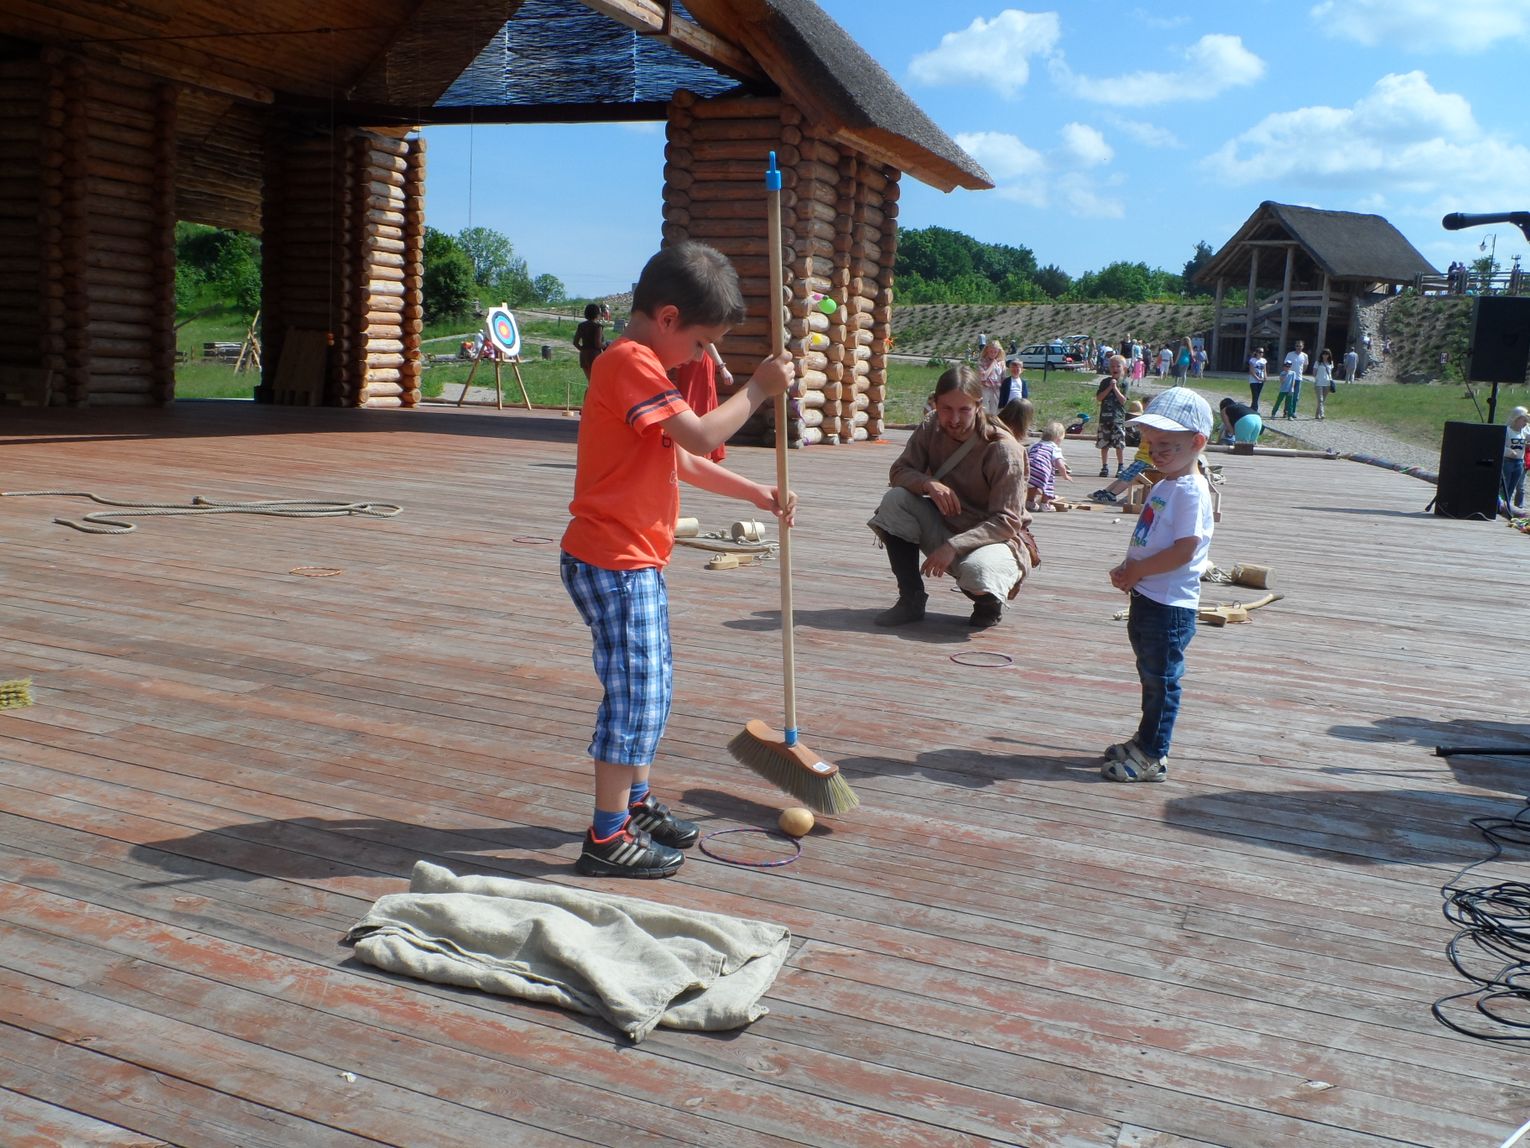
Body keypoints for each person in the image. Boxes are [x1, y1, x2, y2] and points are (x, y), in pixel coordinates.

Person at [560, 242, 794, 879]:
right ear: (667, 319)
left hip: (634, 561)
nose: (700, 358)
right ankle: (607, 836)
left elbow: (681, 458)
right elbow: (700, 434)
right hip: (614, 561)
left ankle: (633, 803)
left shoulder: (641, 366)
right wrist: (759, 389)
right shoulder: (628, 361)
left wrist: (755, 493)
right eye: (700, 344)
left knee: (652, 689)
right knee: (635, 696)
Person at [868, 364, 1036, 630]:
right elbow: (899, 471)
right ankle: (910, 598)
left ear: (978, 405)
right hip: (947, 523)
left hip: (995, 539)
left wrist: (952, 546)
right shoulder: (930, 427)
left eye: (964, 410)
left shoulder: (1004, 450)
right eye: (946, 409)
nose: (954, 419)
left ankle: (988, 603)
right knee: (896, 500)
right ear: (935, 403)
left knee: (978, 573)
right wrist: (928, 484)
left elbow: (1007, 521)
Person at [1103, 388, 1216, 782]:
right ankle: (1145, 739)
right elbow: (1152, 538)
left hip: (1169, 607)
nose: (1155, 451)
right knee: (1151, 676)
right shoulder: (1168, 483)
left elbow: (1186, 550)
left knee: (1162, 681)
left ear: (1197, 442)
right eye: (1151, 442)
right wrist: (1129, 567)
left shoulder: (1190, 491)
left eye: (1166, 444)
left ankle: (1153, 754)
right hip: (1148, 597)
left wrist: (1138, 571)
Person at [669, 342, 731, 462]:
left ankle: (696, 446)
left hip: (698, 359)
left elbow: (706, 341)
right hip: (691, 360)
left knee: (700, 398)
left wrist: (722, 367)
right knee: (692, 398)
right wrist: (722, 367)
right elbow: (706, 340)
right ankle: (690, 446)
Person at [1091, 400, 1150, 504]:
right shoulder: (1145, 428)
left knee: (1128, 478)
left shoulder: (1153, 429)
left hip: (1147, 460)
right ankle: (1106, 491)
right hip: (1140, 458)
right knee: (1123, 476)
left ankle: (1112, 495)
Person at [1026, 421, 1072, 512]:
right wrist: (1065, 475)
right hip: (1043, 469)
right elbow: (1059, 463)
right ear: (1058, 438)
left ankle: (1029, 502)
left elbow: (1026, 454)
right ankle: (1045, 504)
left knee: (1031, 485)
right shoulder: (1054, 448)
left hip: (1030, 468)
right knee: (1048, 485)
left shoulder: (1035, 445)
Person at [1095, 356, 1129, 477]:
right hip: (1105, 419)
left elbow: (1123, 400)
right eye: (1112, 366)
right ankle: (1104, 467)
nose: (1115, 368)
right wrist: (1109, 387)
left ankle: (1120, 466)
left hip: (1117, 419)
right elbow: (1099, 398)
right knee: (1104, 444)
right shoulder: (1105, 382)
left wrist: (1115, 388)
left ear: (1123, 368)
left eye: (1118, 366)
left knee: (1119, 444)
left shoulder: (1124, 383)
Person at [1503, 406, 1529, 514]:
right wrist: (1509, 451)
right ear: (1516, 419)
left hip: (1519, 462)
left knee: (1512, 487)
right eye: (1524, 420)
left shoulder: (1524, 432)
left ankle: (1507, 505)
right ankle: (1501, 505)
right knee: (1504, 486)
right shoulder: (1507, 431)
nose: (1525, 423)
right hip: (1507, 461)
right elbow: (1500, 446)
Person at [572, 303, 605, 383]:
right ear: (597, 314)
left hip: (584, 356)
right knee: (597, 382)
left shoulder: (581, 325)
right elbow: (598, 344)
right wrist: (607, 345)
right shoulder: (597, 327)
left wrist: (583, 350)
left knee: (590, 382)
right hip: (595, 356)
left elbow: (575, 342)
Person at [1277, 340, 1308, 419]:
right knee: (1288, 395)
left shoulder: (1305, 356)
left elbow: (1305, 366)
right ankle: (1286, 411)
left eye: (1300, 346)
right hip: (1289, 378)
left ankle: (1293, 412)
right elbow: (1285, 365)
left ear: (1303, 347)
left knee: (1296, 397)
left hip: (1298, 378)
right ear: (1295, 346)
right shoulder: (1290, 354)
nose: (1298, 347)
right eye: (1297, 346)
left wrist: (1300, 373)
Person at [977, 339, 1005, 415]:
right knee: (985, 410)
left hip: (996, 390)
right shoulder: (982, 361)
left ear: (998, 352)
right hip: (985, 389)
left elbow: (1003, 377)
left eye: (995, 352)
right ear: (987, 350)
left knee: (994, 411)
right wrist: (992, 364)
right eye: (991, 351)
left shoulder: (1001, 363)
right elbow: (983, 377)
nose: (993, 354)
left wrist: (1001, 386)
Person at [1313, 349, 1334, 419]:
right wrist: (1317, 378)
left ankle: (1317, 414)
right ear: (1321, 355)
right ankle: (1322, 414)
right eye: (1324, 354)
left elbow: (1330, 373)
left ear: (1329, 355)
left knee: (1322, 400)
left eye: (1327, 354)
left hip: (1327, 383)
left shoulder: (1331, 363)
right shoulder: (1318, 362)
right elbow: (1314, 373)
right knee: (1320, 399)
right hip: (1319, 383)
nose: (1325, 356)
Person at [1247, 346, 1268, 413]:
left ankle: (1252, 407)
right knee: (1255, 395)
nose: (1261, 353)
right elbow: (1251, 371)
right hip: (1253, 380)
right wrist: (1257, 378)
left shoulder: (1263, 360)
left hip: (1261, 380)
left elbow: (1264, 370)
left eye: (1262, 352)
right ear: (1256, 352)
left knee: (1257, 395)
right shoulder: (1252, 360)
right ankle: (1255, 409)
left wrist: (1265, 377)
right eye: (1260, 352)